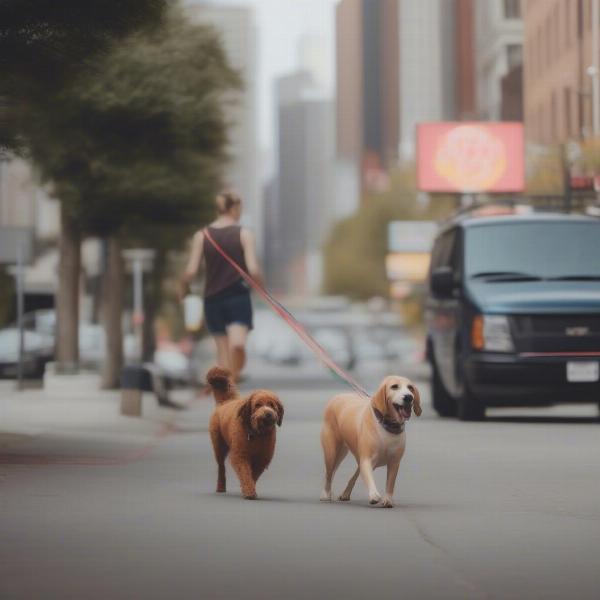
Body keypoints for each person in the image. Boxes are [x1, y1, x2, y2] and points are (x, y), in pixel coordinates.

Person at [180, 191, 263, 382]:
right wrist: (261, 286)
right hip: (222, 298)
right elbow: (253, 267)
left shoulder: (202, 236)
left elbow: (191, 271)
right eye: (239, 208)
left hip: (226, 297)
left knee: (236, 345)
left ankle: (234, 377)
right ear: (234, 208)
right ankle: (229, 393)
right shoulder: (243, 234)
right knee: (227, 352)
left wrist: (183, 285)